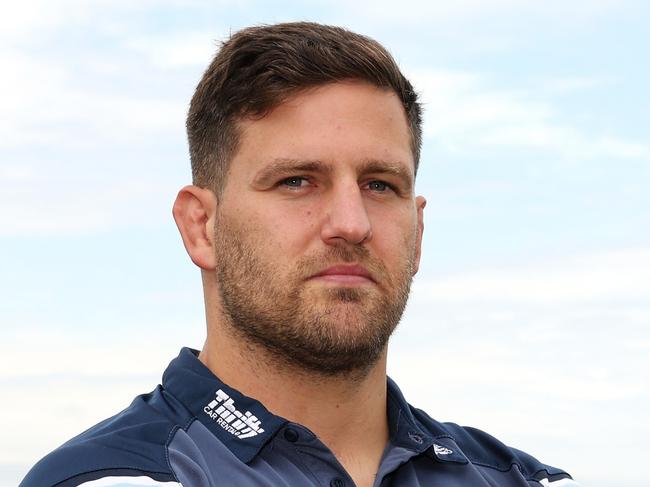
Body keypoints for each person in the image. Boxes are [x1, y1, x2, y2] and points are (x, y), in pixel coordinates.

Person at [20, 22, 579, 487]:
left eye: (380, 185)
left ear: (419, 231)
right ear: (201, 226)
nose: (350, 224)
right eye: (296, 181)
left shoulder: (515, 479)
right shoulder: (114, 478)